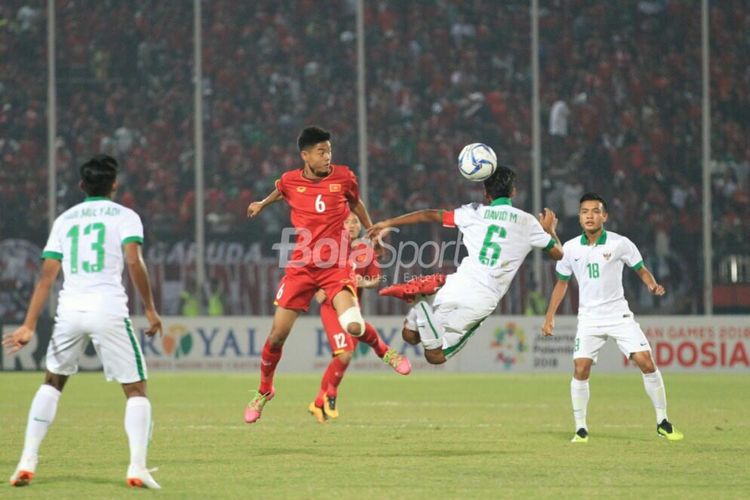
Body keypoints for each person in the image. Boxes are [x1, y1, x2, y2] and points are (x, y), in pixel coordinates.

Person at [2, 155, 163, 488]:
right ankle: (136, 467)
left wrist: (29, 325)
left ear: (81, 185)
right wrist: (149, 308)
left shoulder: (65, 219)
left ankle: (27, 460)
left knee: (52, 382)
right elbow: (134, 262)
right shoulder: (125, 216)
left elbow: (46, 276)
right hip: (108, 309)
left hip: (70, 311)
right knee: (136, 390)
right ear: (114, 184)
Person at [244, 126, 379, 424]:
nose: (328, 156)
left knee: (353, 327)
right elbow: (281, 190)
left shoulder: (344, 177)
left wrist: (371, 230)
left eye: (329, 150)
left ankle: (378, 347)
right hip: (301, 268)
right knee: (277, 336)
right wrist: (262, 203)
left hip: (334, 268)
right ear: (305, 156)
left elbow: (356, 203)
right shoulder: (292, 180)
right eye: (321, 151)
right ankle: (265, 390)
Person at [369, 165, 563, 364]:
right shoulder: (528, 222)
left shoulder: (473, 212)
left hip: (457, 283)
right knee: (435, 356)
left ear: (486, 193)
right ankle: (420, 304)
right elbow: (559, 254)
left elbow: (430, 215)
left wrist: (387, 222)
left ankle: (421, 302)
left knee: (410, 336)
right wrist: (549, 231)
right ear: (513, 191)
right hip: (483, 297)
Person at [541, 192, 684, 443]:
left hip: (618, 315)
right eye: (585, 212)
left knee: (646, 362)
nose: (589, 216)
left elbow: (640, 268)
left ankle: (663, 421)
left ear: (604, 216)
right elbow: (561, 283)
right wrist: (549, 316)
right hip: (589, 318)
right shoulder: (571, 248)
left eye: (595, 211)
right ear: (579, 217)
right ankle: (581, 429)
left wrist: (651, 285)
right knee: (580, 368)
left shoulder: (620, 243)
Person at [308, 213, 411, 424]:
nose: (353, 225)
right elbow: (312, 274)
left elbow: (375, 279)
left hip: (354, 307)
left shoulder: (365, 250)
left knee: (341, 357)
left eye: (355, 221)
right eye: (347, 221)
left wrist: (362, 282)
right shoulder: (328, 248)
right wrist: (317, 290)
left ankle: (318, 402)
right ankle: (385, 353)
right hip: (331, 309)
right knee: (345, 355)